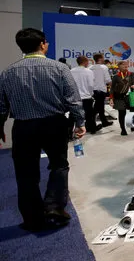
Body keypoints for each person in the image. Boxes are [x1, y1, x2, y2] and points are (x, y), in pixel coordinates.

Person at [0, 28, 85, 232]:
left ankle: (32, 218)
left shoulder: (8, 72)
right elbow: (73, 99)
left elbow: (1, 105)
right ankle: (54, 206)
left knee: (25, 173)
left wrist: (0, 126)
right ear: (43, 44)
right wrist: (79, 121)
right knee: (59, 165)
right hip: (53, 124)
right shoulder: (59, 68)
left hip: (23, 127)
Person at [71, 56, 97, 133]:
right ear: (85, 62)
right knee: (89, 115)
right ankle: (91, 129)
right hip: (86, 97)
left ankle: (69, 133)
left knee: (73, 116)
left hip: (75, 98)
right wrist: (91, 94)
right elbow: (91, 85)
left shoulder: (71, 71)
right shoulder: (89, 71)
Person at [110, 61, 134, 136]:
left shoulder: (132, 74)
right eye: (123, 66)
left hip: (130, 96)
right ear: (119, 68)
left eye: (126, 65)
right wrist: (111, 99)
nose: (125, 67)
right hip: (119, 97)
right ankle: (123, 129)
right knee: (122, 113)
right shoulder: (116, 77)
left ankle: (132, 124)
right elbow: (112, 88)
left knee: (133, 110)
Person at [90, 53, 113, 128]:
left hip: (93, 90)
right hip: (101, 90)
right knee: (97, 107)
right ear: (100, 59)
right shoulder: (104, 67)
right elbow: (107, 79)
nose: (104, 59)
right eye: (103, 58)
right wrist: (113, 85)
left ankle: (104, 122)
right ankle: (91, 123)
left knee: (100, 107)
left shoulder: (90, 68)